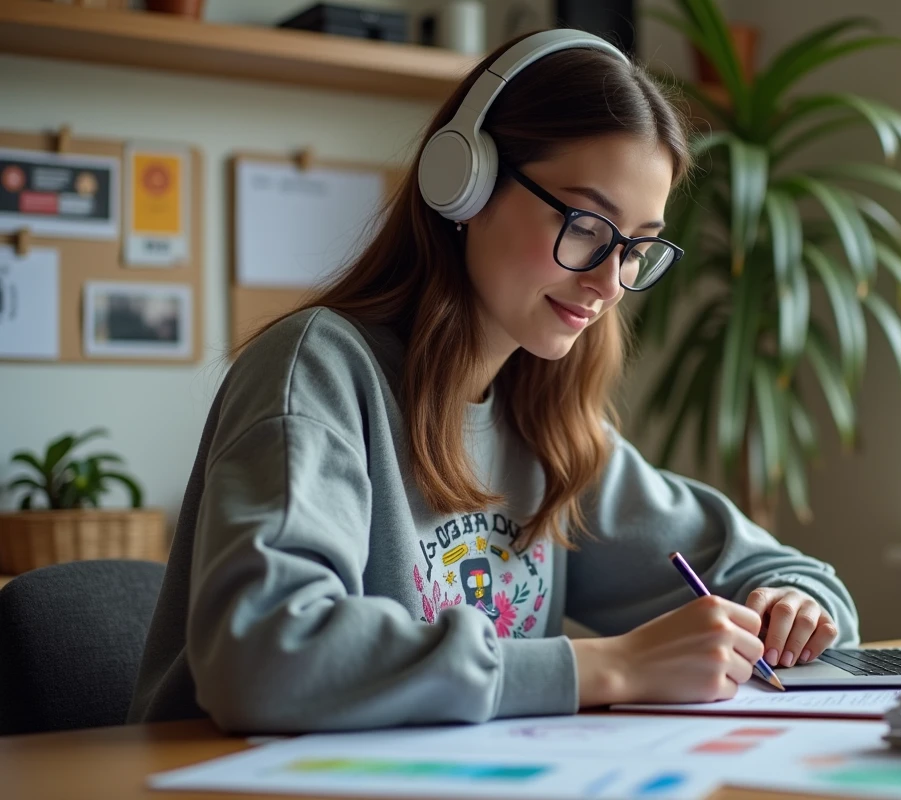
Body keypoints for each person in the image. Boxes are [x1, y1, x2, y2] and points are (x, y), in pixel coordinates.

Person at [128, 29, 859, 733]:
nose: (610, 282)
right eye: (586, 224)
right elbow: (265, 656)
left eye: (636, 248)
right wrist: (609, 667)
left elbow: (786, 574)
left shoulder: (548, 427)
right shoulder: (318, 372)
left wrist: (794, 606)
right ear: (465, 184)